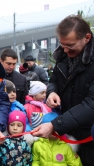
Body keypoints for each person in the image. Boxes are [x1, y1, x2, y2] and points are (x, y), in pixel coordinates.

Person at [32, 15, 94, 166]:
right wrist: (51, 92)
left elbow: (91, 103)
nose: (65, 50)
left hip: (89, 136)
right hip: (67, 130)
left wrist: (55, 125)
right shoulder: (63, 58)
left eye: (70, 45)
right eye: (62, 44)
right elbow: (53, 82)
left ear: (87, 38)